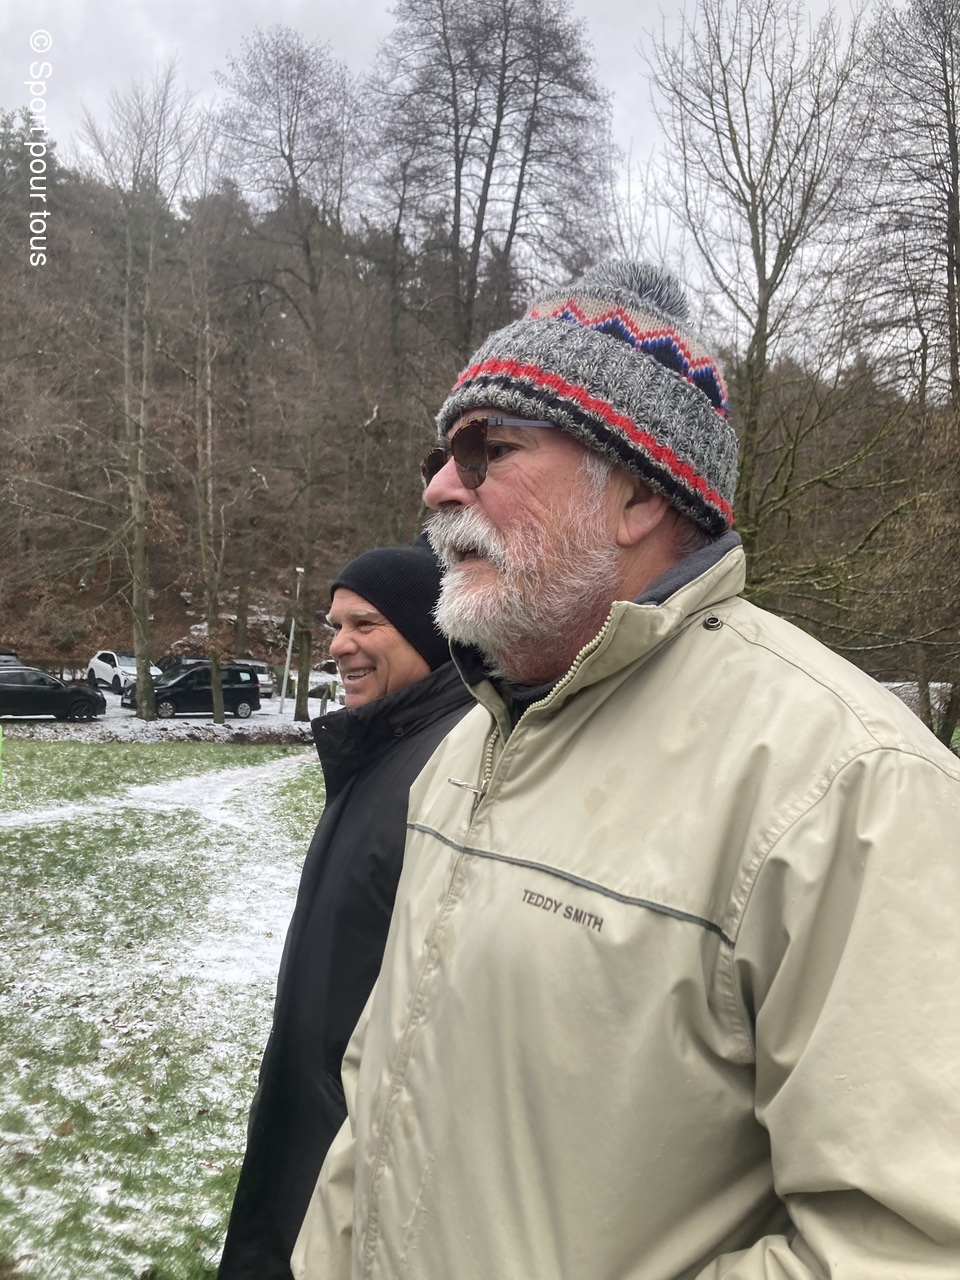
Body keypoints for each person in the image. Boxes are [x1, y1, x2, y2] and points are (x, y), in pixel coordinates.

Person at [292, 262, 960, 1279]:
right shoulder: (468, 745)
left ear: (641, 491)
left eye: (488, 450)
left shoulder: (850, 784)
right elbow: (382, 1090)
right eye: (441, 454)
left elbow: (905, 1244)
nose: (437, 488)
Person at [217, 540, 473, 1280]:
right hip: (313, 1105)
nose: (338, 646)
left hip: (360, 1133)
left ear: (429, 634)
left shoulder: (451, 764)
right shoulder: (382, 746)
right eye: (335, 626)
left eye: (366, 624)